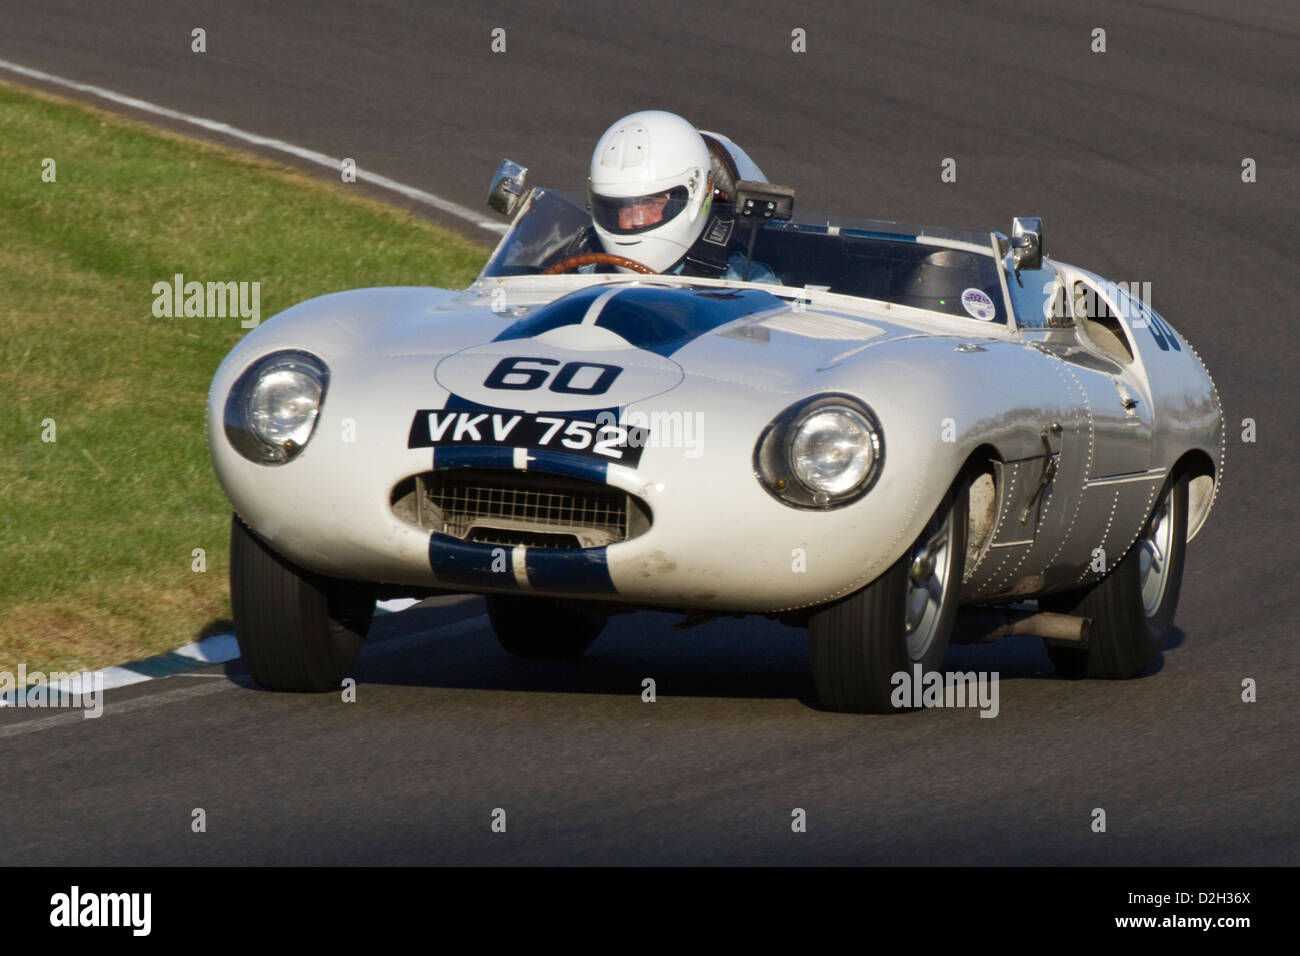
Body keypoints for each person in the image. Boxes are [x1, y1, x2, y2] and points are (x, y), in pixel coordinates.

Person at [586, 110, 778, 283]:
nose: (632, 221)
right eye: (620, 206)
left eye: (651, 203)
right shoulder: (583, 273)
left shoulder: (745, 285)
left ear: (695, 191)